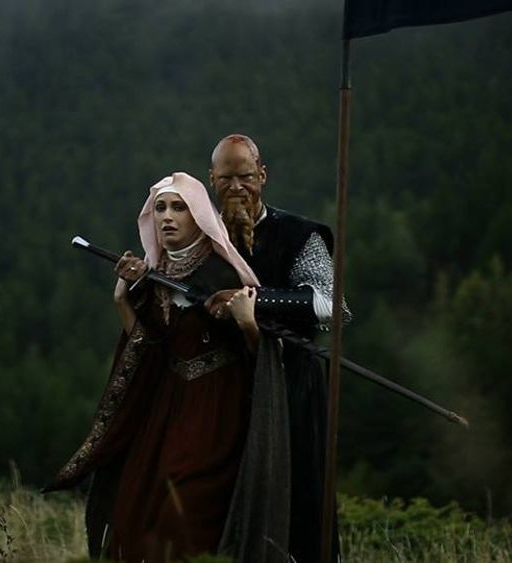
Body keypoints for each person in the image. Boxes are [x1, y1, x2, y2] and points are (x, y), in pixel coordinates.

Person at [44, 172, 292, 563]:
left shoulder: (224, 275)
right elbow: (150, 350)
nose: (167, 217)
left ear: (198, 215)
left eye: (179, 207)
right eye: (160, 208)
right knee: (138, 506)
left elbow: (261, 361)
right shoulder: (153, 274)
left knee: (184, 512)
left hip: (215, 411)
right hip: (165, 407)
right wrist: (123, 302)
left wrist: (247, 321)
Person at [206, 133, 350, 563]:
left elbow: (332, 307)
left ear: (263, 176)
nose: (237, 187)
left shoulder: (299, 234)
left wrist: (253, 300)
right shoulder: (200, 236)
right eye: (227, 178)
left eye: (246, 177)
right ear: (212, 179)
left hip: (292, 386)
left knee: (298, 498)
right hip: (222, 385)